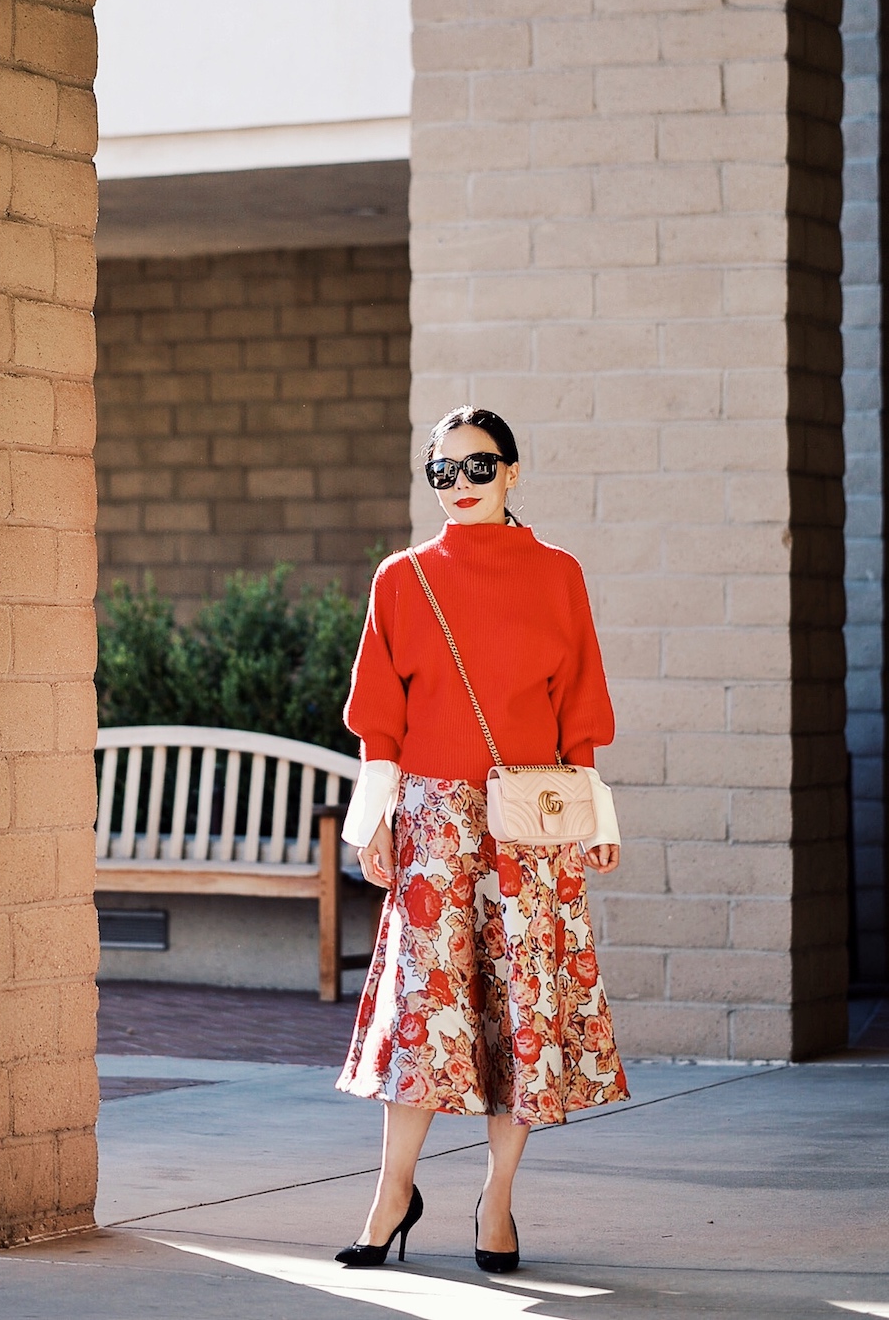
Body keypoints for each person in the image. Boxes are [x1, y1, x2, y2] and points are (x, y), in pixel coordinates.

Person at [332, 405, 629, 1273]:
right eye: (443, 471)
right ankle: (393, 1193)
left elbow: (581, 700)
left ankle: (496, 1199)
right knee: (425, 1015)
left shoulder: (559, 574)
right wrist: (373, 819)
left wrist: (597, 814)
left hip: (529, 824)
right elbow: (378, 718)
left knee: (522, 1015)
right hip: (429, 822)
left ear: (512, 471)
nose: (459, 485)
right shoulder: (403, 576)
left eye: (477, 466)